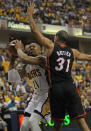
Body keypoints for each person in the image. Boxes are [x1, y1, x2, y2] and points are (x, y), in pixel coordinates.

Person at [27, 3, 91, 131]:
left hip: (56, 88)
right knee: (82, 122)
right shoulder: (73, 51)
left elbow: (34, 31)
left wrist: (29, 14)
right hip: (70, 87)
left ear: (57, 38)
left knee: (57, 124)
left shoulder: (51, 46)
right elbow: (89, 57)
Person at [8, 41, 50, 131]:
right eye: (29, 47)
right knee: (24, 126)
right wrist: (12, 57)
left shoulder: (42, 59)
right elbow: (12, 78)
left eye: (33, 47)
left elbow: (24, 58)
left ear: (40, 51)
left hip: (47, 96)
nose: (31, 48)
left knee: (33, 121)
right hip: (36, 96)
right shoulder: (27, 66)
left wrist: (18, 48)